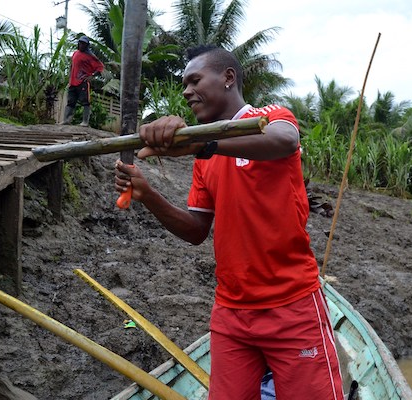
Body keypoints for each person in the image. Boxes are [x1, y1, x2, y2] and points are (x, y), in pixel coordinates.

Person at [115, 45, 344, 400]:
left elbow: (285, 141)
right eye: (184, 84)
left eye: (195, 80)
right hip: (231, 313)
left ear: (228, 77)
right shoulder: (206, 156)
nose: (187, 91)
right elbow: (195, 230)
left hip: (292, 306)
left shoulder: (269, 117)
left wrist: (203, 143)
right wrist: (149, 196)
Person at [61, 35, 104, 127]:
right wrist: (69, 78)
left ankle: (85, 121)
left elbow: (100, 67)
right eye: (80, 43)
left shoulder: (90, 56)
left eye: (84, 44)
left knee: (85, 102)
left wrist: (92, 76)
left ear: (87, 45)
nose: (81, 45)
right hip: (72, 82)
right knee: (70, 102)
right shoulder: (75, 53)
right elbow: (72, 66)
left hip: (83, 82)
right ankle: (66, 120)